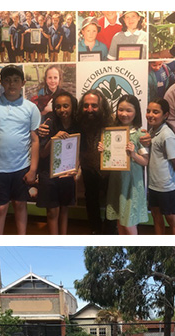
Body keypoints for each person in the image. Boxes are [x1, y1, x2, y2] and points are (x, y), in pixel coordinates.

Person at [0, 65, 41, 234]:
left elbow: (34, 140)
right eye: (7, 80)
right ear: (1, 82)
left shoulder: (31, 108)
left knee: (20, 205)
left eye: (16, 80)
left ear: (23, 83)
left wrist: (33, 169)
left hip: (21, 168)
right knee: (0, 208)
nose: (12, 84)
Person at [101, 94, 149, 234]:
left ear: (136, 112)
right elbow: (107, 160)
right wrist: (103, 151)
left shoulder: (139, 134)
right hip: (116, 183)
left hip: (132, 184)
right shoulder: (111, 132)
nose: (124, 114)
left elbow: (145, 161)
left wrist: (134, 155)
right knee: (120, 221)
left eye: (129, 110)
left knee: (129, 222)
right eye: (120, 110)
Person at [37, 90, 79, 234]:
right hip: (49, 173)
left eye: (66, 106)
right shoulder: (49, 123)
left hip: (67, 173)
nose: (62, 110)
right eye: (58, 106)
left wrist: (76, 170)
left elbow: (79, 150)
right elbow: (42, 153)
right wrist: (55, 138)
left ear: (72, 106)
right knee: (52, 212)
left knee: (64, 209)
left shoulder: (77, 124)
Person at [140, 98, 175, 235]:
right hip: (154, 186)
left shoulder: (167, 135)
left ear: (165, 115)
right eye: (148, 111)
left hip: (168, 188)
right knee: (156, 217)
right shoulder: (152, 131)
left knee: (172, 220)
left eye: (155, 112)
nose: (150, 115)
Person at [77, 89, 115, 233]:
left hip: (110, 170)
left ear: (102, 106)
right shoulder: (79, 121)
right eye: (86, 106)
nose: (90, 109)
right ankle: (95, 230)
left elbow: (129, 131)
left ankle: (110, 231)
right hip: (88, 168)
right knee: (91, 200)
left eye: (94, 105)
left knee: (111, 200)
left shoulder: (113, 121)